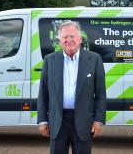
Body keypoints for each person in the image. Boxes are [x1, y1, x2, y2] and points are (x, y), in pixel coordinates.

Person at [37, 21, 106, 154]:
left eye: (72, 36)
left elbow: (100, 94)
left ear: (80, 38)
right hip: (57, 122)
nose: (69, 40)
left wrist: (98, 120)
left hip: (84, 121)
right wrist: (43, 121)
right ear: (60, 40)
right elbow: (43, 93)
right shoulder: (49, 60)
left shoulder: (94, 59)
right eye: (65, 37)